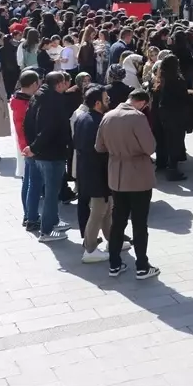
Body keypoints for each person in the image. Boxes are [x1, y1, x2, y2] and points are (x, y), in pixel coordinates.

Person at [96, 89, 160, 280]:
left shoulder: (107, 116)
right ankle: (142, 265)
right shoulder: (138, 118)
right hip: (138, 175)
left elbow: (99, 147)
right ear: (142, 102)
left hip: (116, 174)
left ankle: (114, 264)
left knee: (118, 221)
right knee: (140, 223)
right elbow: (150, 147)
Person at [73, 85, 122, 264]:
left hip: (88, 172)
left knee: (107, 209)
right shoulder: (99, 122)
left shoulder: (83, 118)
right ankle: (90, 248)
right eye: (106, 99)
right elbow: (103, 150)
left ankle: (113, 240)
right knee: (99, 211)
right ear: (97, 103)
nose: (109, 101)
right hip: (98, 173)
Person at [24, 71, 73, 242]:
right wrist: (35, 147)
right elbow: (49, 129)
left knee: (48, 189)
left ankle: (52, 220)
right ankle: (46, 231)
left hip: (40, 152)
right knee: (52, 192)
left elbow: (28, 123)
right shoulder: (54, 100)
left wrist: (32, 146)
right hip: (52, 153)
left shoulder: (37, 96)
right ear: (59, 84)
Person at [150, 54, 192, 181]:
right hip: (175, 117)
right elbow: (184, 101)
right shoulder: (178, 81)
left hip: (160, 116)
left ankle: (161, 163)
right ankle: (172, 169)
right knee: (174, 143)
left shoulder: (159, 80)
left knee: (162, 141)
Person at [12, 70, 43, 231]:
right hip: (29, 148)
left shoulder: (21, 99)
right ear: (32, 85)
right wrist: (28, 148)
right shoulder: (23, 103)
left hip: (27, 147)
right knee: (33, 183)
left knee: (28, 181)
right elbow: (20, 128)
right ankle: (31, 217)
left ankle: (28, 215)